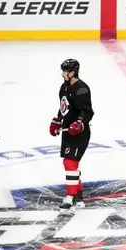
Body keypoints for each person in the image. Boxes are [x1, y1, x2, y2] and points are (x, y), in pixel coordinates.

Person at [50, 59, 94, 214]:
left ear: (72, 72)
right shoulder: (64, 86)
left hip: (79, 133)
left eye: (64, 71)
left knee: (69, 163)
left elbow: (87, 111)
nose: (62, 74)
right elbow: (64, 106)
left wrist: (80, 123)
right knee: (71, 164)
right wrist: (57, 120)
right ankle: (79, 197)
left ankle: (71, 197)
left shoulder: (81, 89)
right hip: (67, 131)